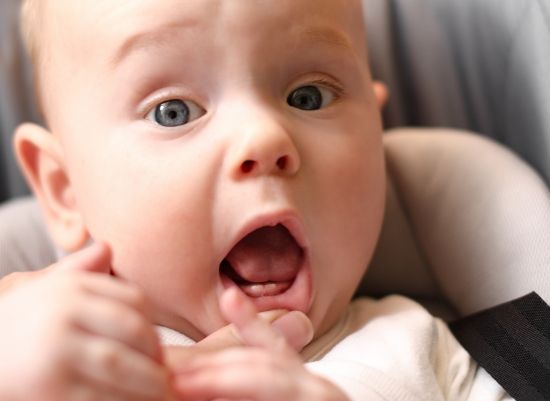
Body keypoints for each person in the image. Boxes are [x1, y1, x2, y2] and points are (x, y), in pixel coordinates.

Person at [0, 0, 511, 400]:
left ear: (375, 132)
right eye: (173, 111)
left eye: (307, 96)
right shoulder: (59, 364)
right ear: (64, 189)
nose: (264, 137)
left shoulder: (421, 351)